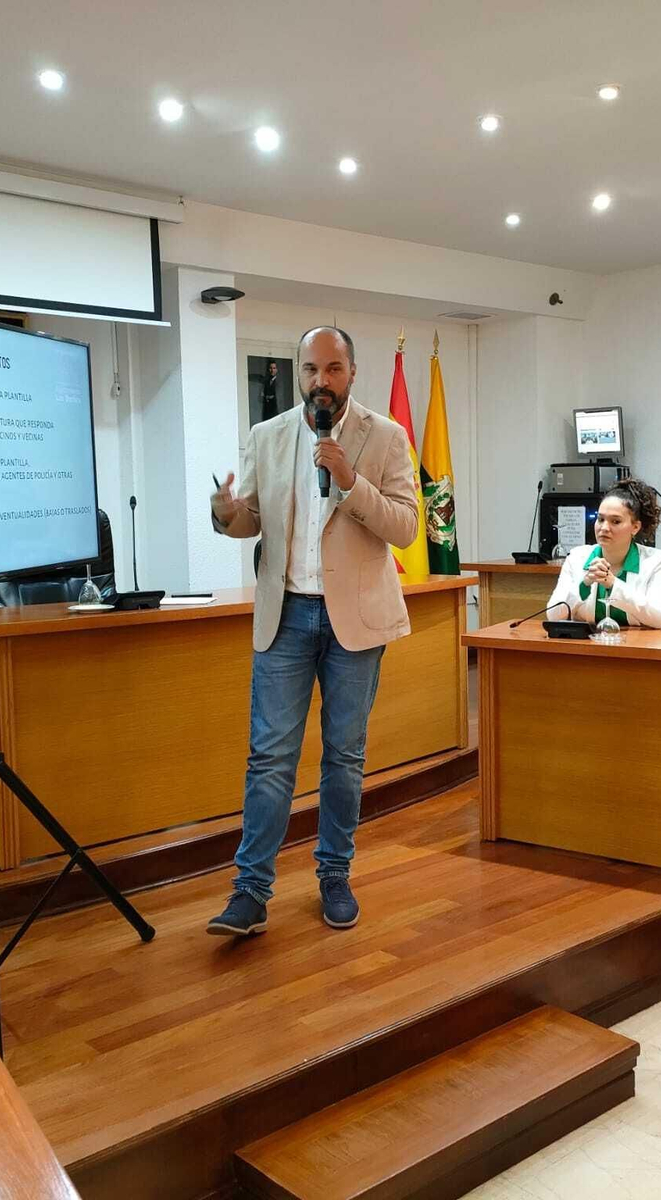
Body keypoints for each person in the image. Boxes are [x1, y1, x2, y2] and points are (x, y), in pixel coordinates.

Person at [207, 327, 419, 936]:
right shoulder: (266, 437)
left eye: (332, 369)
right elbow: (249, 520)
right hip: (287, 615)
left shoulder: (386, 436)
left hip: (354, 620)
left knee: (344, 758)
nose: (320, 381)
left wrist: (351, 481)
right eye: (310, 370)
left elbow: (406, 528)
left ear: (352, 372)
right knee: (270, 758)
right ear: (298, 374)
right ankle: (250, 892)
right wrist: (225, 514)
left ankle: (334, 876)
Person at [546, 478, 661, 627]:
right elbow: (552, 615)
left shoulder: (655, 561)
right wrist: (584, 583)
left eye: (615, 521)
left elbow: (659, 618)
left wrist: (614, 584)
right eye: (600, 519)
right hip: (588, 647)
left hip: (637, 647)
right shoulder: (576, 558)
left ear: (635, 527)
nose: (604, 528)